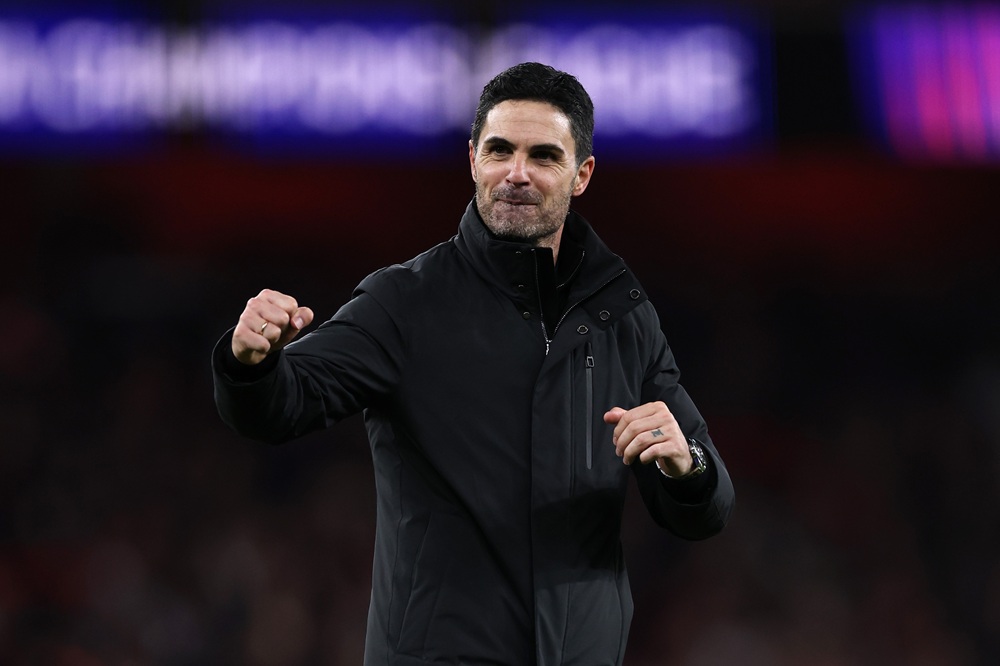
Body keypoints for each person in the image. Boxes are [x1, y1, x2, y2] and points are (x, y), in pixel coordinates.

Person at [212, 61, 734, 666]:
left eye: (543, 156)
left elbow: (705, 506)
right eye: (499, 150)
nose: (516, 173)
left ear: (581, 174)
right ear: (472, 160)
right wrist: (247, 360)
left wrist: (687, 465)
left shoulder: (623, 316)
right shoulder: (406, 301)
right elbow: (282, 403)